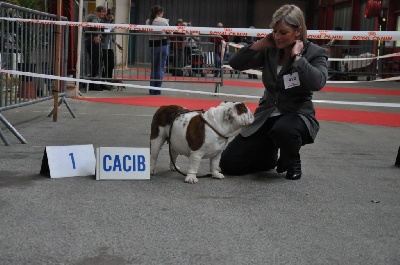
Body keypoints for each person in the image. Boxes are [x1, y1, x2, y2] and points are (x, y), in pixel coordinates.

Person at [219, 4, 328, 180]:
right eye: (274, 31)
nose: (277, 37)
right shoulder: (270, 50)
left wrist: (297, 58)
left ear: (298, 31)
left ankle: (292, 158)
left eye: (283, 32)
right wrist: (261, 43)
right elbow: (236, 63)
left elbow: (318, 82)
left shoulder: (315, 53)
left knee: (283, 130)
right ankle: (268, 155)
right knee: (229, 164)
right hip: (266, 115)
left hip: (296, 114)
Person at [146, 5, 169, 95]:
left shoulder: (148, 21)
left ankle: (151, 89)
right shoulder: (164, 21)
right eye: (162, 13)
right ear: (159, 12)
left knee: (154, 68)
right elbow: (169, 32)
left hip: (152, 45)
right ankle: (157, 89)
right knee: (160, 68)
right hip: (162, 44)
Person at [84, 5, 106, 91]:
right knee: (96, 62)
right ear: (101, 12)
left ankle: (94, 83)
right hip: (93, 40)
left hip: (88, 39)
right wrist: (97, 35)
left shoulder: (88, 15)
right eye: (103, 14)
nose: (103, 16)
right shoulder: (94, 17)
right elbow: (95, 24)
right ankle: (95, 84)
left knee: (94, 62)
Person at [101, 11, 123, 88]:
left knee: (111, 64)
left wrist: (118, 45)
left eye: (111, 17)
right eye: (108, 17)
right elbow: (103, 33)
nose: (110, 19)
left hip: (110, 47)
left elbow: (112, 38)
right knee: (105, 64)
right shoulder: (102, 23)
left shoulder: (112, 25)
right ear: (106, 16)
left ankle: (109, 80)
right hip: (103, 46)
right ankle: (104, 80)